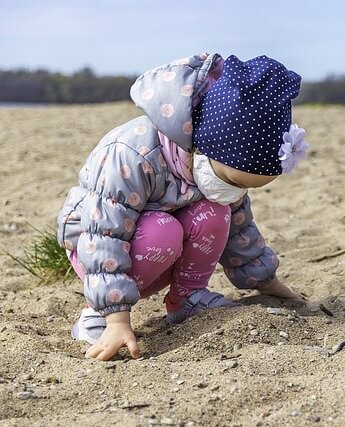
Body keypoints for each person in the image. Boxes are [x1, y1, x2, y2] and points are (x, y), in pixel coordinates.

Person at [56, 53, 309, 361]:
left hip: (164, 244)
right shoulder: (132, 154)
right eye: (231, 179)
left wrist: (265, 280)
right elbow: (103, 233)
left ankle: (188, 298)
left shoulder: (219, 167)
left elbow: (240, 226)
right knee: (164, 230)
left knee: (217, 211)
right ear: (202, 146)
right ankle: (93, 315)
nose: (236, 191)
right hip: (96, 247)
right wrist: (116, 318)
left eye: (245, 187)